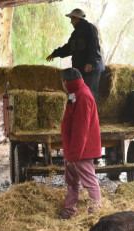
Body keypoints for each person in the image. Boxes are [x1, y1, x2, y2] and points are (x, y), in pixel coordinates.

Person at [59, 68, 101, 219]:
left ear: (65, 82)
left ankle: (95, 214)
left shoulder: (82, 96)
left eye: (62, 82)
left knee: (90, 182)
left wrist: (74, 154)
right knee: (73, 182)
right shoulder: (76, 93)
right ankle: (69, 211)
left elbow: (80, 129)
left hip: (82, 150)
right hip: (75, 149)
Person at [46, 8, 105, 101]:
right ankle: (75, 113)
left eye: (71, 19)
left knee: (89, 94)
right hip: (81, 69)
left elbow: (94, 47)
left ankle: (89, 115)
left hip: (91, 70)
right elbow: (68, 48)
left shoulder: (90, 28)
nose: (71, 22)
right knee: (76, 94)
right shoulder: (75, 33)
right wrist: (55, 54)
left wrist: (90, 63)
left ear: (76, 19)